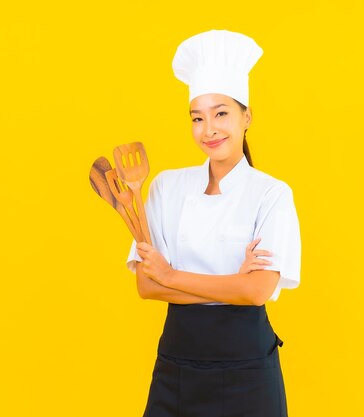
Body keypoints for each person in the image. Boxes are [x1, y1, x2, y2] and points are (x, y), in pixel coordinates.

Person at [126, 29, 301, 417]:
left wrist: (170, 276)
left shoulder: (271, 194)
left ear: (246, 116)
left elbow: (257, 291)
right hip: (177, 368)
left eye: (221, 113)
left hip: (248, 373)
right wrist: (230, 287)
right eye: (197, 118)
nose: (209, 130)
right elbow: (144, 285)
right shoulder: (164, 188)